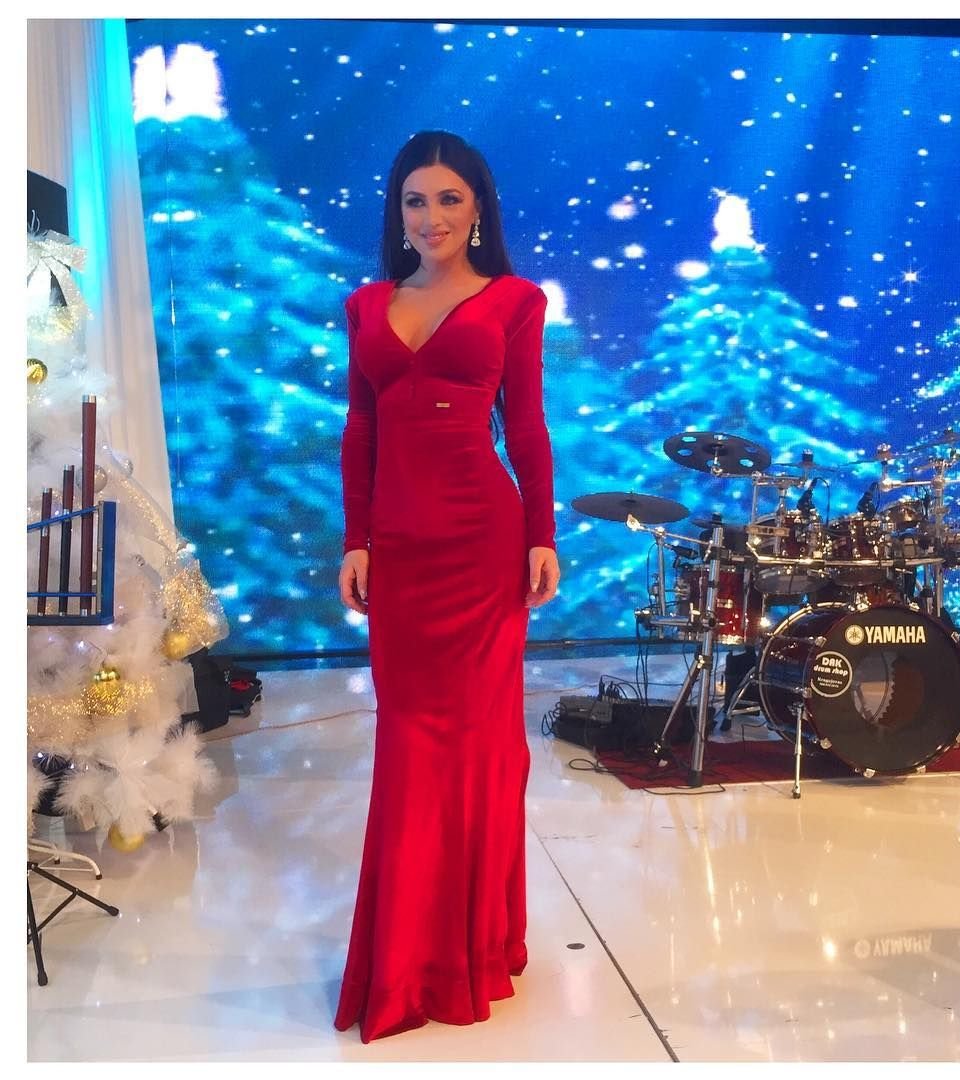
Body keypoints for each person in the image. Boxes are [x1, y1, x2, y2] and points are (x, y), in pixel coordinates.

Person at [333, 130, 560, 1043]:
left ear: (478, 210)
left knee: (475, 747)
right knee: (409, 743)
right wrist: (354, 540)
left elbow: (527, 427)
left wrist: (541, 535)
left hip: (481, 545)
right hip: (399, 550)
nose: (431, 217)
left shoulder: (514, 300)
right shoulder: (365, 306)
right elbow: (360, 431)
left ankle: (470, 943)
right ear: (398, 213)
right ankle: (409, 953)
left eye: (449, 199)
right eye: (415, 200)